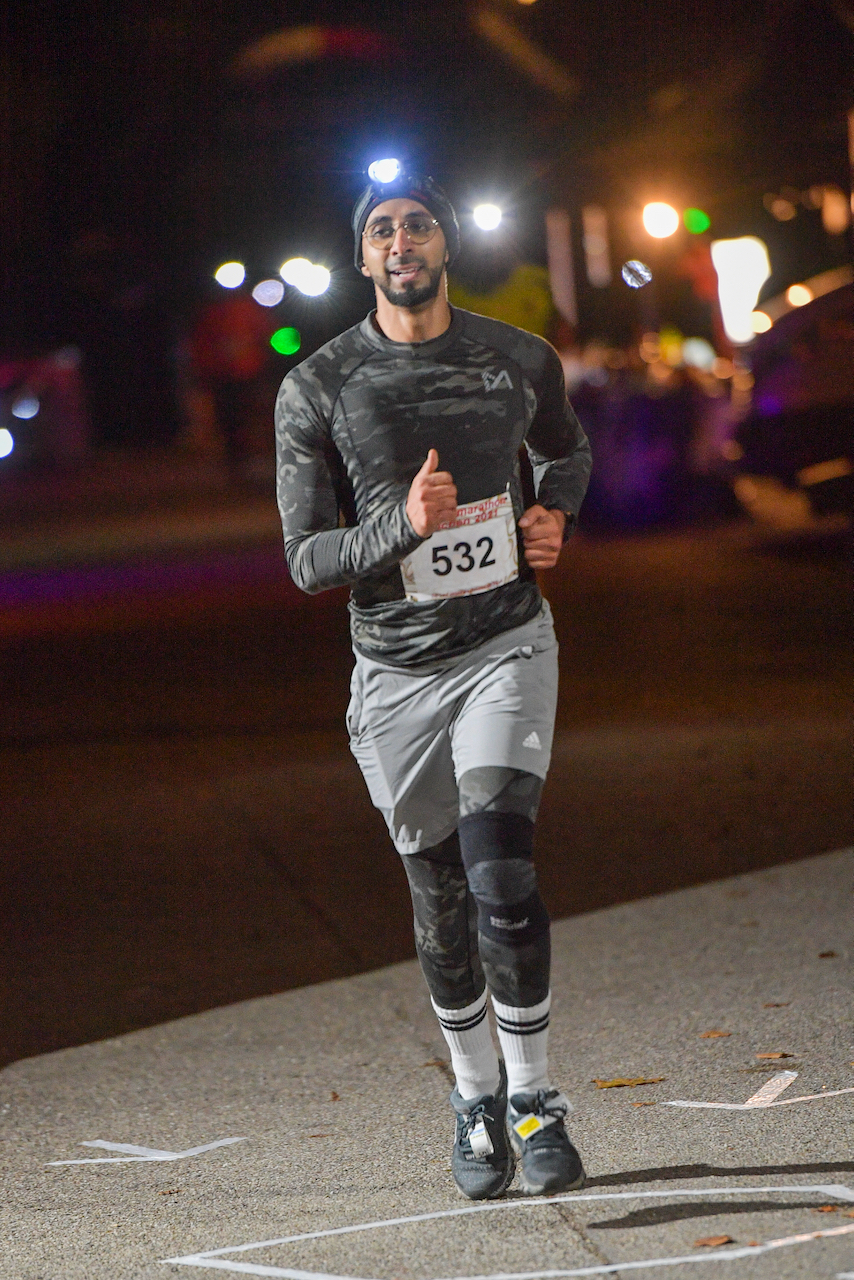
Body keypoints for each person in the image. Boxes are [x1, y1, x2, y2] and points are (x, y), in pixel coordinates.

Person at [274, 173, 592, 1200]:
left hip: (504, 643)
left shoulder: (514, 357)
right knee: (443, 896)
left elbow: (566, 451)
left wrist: (554, 519)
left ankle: (535, 1099)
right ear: (361, 258)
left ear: (445, 242)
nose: (401, 240)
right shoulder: (319, 386)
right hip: (396, 673)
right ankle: (472, 1097)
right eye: (381, 229)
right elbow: (306, 559)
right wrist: (402, 527)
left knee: (503, 866)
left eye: (418, 222)